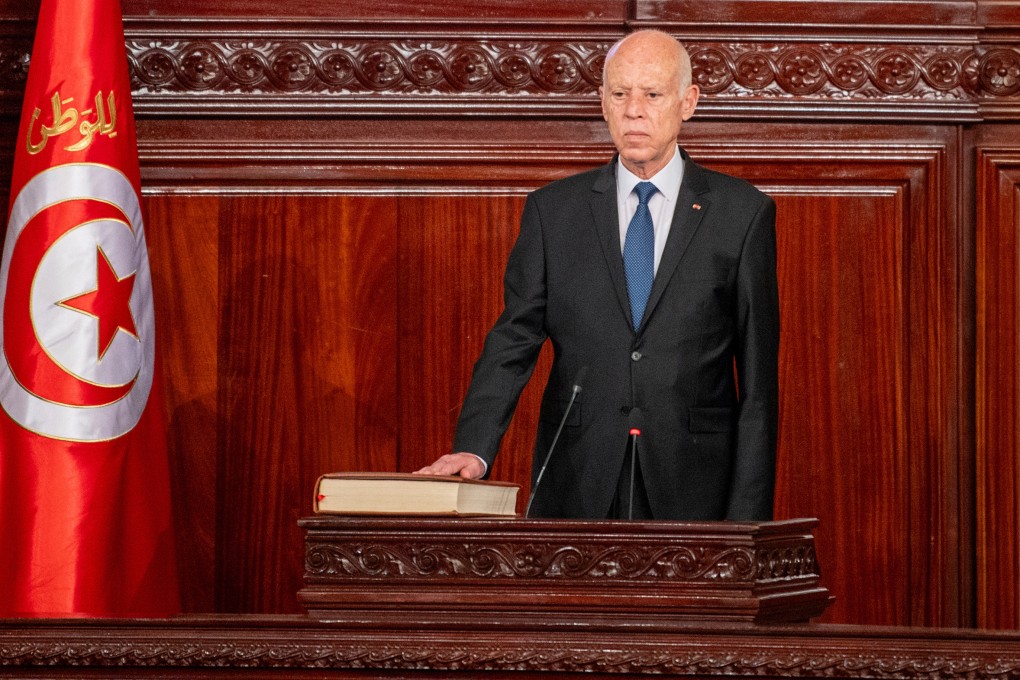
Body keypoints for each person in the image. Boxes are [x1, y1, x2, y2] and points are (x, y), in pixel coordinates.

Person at [415, 29, 779, 521]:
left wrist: (747, 519)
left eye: (652, 94)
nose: (634, 110)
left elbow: (758, 383)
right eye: (619, 93)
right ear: (602, 103)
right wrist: (475, 448)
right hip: (578, 476)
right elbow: (513, 340)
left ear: (687, 102)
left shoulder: (742, 214)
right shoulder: (553, 212)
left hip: (696, 485)